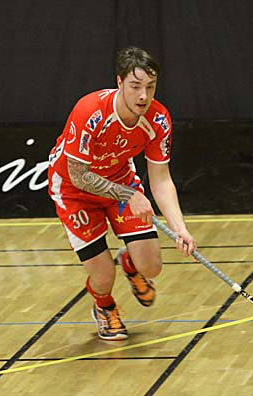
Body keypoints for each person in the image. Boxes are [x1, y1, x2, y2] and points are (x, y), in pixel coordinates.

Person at [47, 46, 197, 340]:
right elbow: (79, 176)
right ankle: (104, 306)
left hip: (119, 180)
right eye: (135, 86)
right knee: (103, 276)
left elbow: (161, 180)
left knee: (151, 267)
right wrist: (128, 196)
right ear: (119, 82)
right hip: (73, 191)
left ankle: (131, 261)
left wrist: (180, 228)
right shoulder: (90, 111)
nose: (143, 96)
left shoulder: (158, 119)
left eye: (150, 87)